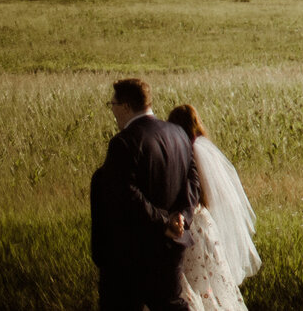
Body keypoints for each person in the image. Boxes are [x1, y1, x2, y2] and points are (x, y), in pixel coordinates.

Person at [89, 77, 196, 311]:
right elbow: (192, 180)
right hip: (172, 245)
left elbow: (126, 193)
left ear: (126, 106)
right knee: (170, 305)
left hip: (133, 252)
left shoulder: (124, 142)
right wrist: (183, 216)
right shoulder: (178, 134)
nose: (113, 111)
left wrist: (163, 222)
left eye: (113, 105)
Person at [166, 105, 260, 311]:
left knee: (188, 282)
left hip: (188, 223)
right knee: (209, 283)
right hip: (204, 223)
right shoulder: (204, 148)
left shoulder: (185, 152)